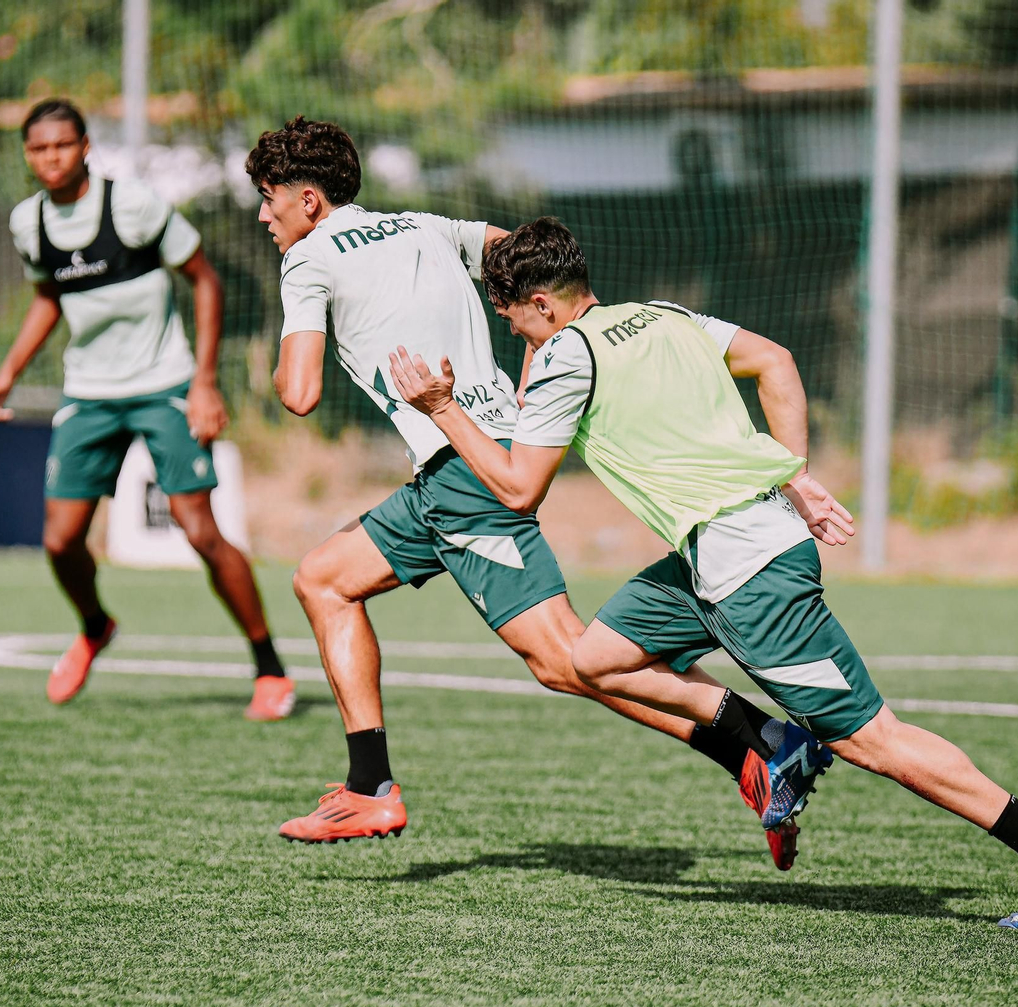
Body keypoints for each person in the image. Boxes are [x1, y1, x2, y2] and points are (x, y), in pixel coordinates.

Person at [387, 216, 1018, 929]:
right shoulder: (658, 314)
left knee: (873, 739)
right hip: (713, 554)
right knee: (593, 657)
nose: (517, 337)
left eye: (514, 321)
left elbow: (517, 489)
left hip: (751, 573)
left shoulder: (571, 356)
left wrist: (443, 408)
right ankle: (778, 743)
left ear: (543, 303)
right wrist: (793, 474)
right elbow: (776, 360)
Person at [246, 117, 828, 862]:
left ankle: (763, 739)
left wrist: (282, 352)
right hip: (460, 465)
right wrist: (538, 350)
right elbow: (520, 253)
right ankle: (369, 786)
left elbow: (297, 393)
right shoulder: (422, 223)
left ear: (309, 199)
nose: (265, 217)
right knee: (323, 580)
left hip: (467, 475)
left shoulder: (307, 261)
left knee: (566, 660)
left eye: (269, 200)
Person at [0, 99, 295, 722]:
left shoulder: (133, 205)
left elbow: (205, 279)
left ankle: (268, 666)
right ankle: (95, 626)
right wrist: (6, 375)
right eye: (38, 149)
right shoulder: (28, 223)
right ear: (27, 155)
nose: (51, 158)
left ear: (86, 146)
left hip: (164, 384)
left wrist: (204, 383)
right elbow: (50, 298)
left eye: (62, 146)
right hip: (89, 393)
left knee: (199, 530)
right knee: (60, 540)